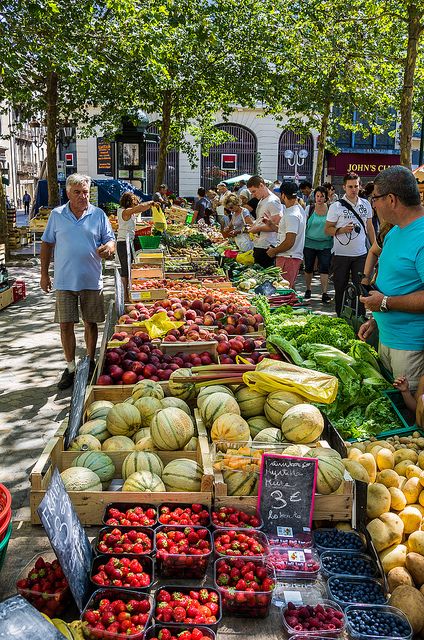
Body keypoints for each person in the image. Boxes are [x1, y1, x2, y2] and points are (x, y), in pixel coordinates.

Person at [40, 173, 116, 390]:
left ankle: (90, 362)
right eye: (77, 192)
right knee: (65, 325)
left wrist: (109, 249)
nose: (83, 196)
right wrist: (44, 274)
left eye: (85, 192)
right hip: (64, 281)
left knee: (91, 323)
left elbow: (109, 239)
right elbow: (46, 244)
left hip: (91, 279)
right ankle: (71, 367)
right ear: (68, 193)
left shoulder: (98, 214)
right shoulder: (57, 215)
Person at [358, 165, 424, 391]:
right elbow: (400, 283)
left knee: (408, 416)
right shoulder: (395, 231)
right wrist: (376, 320)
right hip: (387, 338)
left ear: (392, 199)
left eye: (375, 198)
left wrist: (384, 302)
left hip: (410, 348)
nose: (373, 204)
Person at [325, 171, 376, 316]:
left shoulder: (365, 204)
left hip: (361, 254)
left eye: (356, 186)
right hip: (340, 255)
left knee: (361, 287)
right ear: (344, 187)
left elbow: (370, 227)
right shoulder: (336, 206)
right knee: (340, 287)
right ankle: (341, 316)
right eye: (350, 187)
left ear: (360, 186)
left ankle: (360, 317)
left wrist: (375, 248)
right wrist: (340, 230)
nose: (354, 189)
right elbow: (327, 229)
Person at [266, 181, 306, 288]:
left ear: (283, 195)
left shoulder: (292, 215)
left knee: (283, 291)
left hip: (288, 257)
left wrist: (274, 251)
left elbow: (289, 241)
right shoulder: (299, 210)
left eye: (280, 194)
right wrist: (271, 225)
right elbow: (288, 232)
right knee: (288, 290)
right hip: (291, 257)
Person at [117, 192, 155, 303]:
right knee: (125, 270)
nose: (136, 204)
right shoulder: (124, 212)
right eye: (134, 202)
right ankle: (125, 296)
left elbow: (140, 209)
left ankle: (130, 293)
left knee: (130, 269)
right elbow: (139, 207)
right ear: (129, 202)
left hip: (129, 242)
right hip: (123, 243)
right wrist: (151, 203)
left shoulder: (130, 212)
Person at [303, 186, 333, 303]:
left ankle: (324, 292)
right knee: (309, 267)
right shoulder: (309, 209)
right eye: (317, 196)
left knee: (324, 267)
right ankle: (308, 289)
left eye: (322, 196)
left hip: (325, 243)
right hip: (309, 243)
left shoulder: (331, 209)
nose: (319, 199)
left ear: (326, 197)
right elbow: (304, 225)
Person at [246, 175, 282, 267]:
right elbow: (261, 220)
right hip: (259, 244)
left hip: (267, 246)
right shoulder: (262, 199)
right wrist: (253, 225)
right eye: (251, 192)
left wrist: (257, 229)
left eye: (254, 191)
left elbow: (276, 226)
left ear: (261, 185)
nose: (253, 195)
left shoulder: (273, 201)